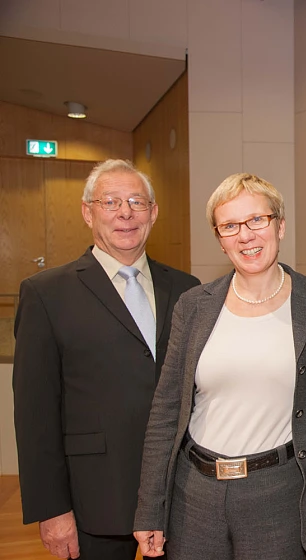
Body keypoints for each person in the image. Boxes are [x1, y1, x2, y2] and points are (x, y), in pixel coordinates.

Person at [133, 173, 306, 559]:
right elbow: (164, 415)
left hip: (279, 494)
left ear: (280, 225)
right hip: (194, 497)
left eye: (256, 220)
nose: (245, 236)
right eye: (229, 226)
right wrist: (150, 509)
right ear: (220, 238)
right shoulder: (194, 306)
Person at [12, 159, 200, 559]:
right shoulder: (46, 294)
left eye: (136, 201)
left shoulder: (188, 289)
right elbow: (35, 414)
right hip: (91, 502)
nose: (125, 213)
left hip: (179, 497)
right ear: (87, 212)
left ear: (153, 212)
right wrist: (52, 509)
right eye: (110, 202)